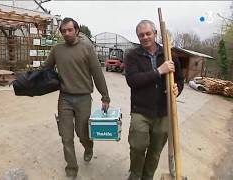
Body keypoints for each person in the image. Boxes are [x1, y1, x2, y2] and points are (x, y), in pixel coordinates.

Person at [43, 17, 110, 177]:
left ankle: (88, 146)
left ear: (76, 30)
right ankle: (72, 168)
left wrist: (105, 96)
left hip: (83, 98)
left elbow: (97, 73)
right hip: (64, 98)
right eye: (63, 31)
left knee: (82, 133)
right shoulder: (57, 50)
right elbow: (46, 69)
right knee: (66, 136)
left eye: (69, 30)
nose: (66, 33)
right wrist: (28, 79)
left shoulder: (87, 49)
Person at [124, 20, 184, 180]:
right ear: (138, 37)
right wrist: (159, 71)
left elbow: (179, 79)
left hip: (164, 112)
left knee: (155, 150)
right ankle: (135, 173)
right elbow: (132, 80)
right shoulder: (132, 56)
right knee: (137, 146)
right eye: (141, 35)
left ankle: (148, 176)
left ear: (155, 33)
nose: (145, 37)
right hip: (141, 111)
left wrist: (177, 89)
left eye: (148, 33)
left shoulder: (169, 55)